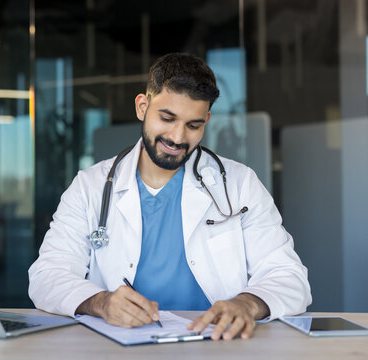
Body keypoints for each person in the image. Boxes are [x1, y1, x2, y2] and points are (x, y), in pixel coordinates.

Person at [28, 53, 311, 341]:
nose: (177, 137)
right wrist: (100, 302)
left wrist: (247, 304)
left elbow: (290, 278)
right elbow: (47, 276)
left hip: (217, 345)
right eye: (167, 118)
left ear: (207, 121)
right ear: (142, 106)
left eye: (193, 125)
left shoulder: (239, 185)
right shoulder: (91, 187)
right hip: (117, 346)